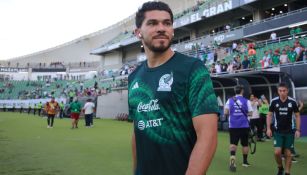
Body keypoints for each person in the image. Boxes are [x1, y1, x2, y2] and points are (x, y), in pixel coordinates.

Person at [129, 1, 219, 175]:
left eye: (167, 23)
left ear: (172, 30)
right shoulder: (134, 77)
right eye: (152, 23)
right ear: (138, 32)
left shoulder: (193, 69)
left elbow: (207, 136)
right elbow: (137, 131)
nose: (161, 28)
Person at [266, 82, 301, 175]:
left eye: (284, 91)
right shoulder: (274, 101)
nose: (282, 92)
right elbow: (269, 115)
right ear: (278, 91)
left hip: (289, 131)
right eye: (280, 91)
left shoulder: (292, 102)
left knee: (288, 154)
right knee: (277, 152)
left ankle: (287, 172)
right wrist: (268, 128)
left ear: (287, 91)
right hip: (277, 131)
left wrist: (297, 130)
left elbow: (297, 116)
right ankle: (280, 167)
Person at [224, 85, 253, 172]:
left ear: (235, 91)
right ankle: (245, 162)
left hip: (233, 126)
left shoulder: (229, 100)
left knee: (233, 144)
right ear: (242, 91)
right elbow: (251, 113)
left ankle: (232, 162)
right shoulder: (246, 101)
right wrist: (243, 115)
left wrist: (233, 114)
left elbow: (225, 112)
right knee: (245, 144)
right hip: (244, 126)